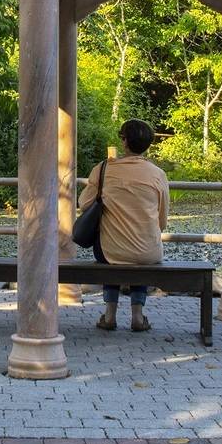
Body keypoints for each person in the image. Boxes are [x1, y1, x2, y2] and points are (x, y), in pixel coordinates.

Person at [80, 119, 170, 332]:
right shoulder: (158, 174)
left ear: (124, 141)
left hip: (110, 251)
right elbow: (162, 220)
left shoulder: (103, 169)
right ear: (148, 144)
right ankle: (137, 315)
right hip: (149, 251)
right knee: (138, 254)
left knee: (112, 249)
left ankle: (110, 314)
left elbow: (84, 204)